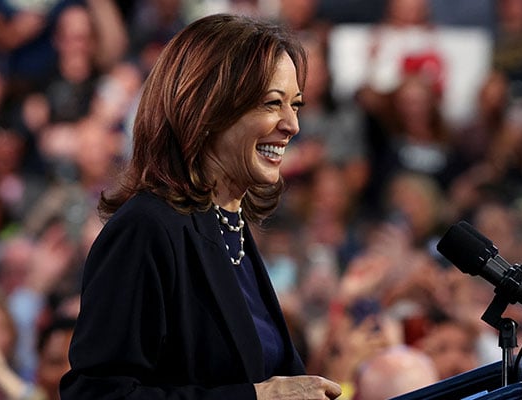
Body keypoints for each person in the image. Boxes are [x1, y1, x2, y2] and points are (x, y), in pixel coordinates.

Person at [59, 13, 342, 400]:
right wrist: (257, 398)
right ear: (207, 110)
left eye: (295, 105)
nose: (292, 124)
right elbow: (98, 395)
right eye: (272, 103)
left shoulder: (229, 226)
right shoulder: (146, 229)